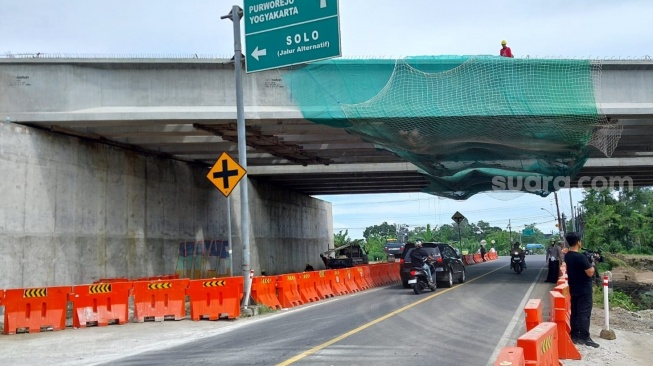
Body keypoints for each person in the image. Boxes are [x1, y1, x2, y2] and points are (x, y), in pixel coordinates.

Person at [564, 232, 600, 348]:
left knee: (575, 312)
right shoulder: (580, 257)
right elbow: (590, 272)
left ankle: (574, 335)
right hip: (584, 289)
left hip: (573, 288)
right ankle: (585, 337)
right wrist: (593, 263)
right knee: (584, 313)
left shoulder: (568, 256)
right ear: (578, 242)